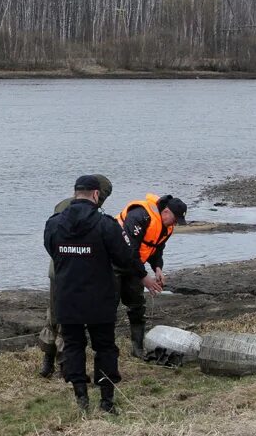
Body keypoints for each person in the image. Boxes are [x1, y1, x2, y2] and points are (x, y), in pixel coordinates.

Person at [44, 175, 141, 414]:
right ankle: (106, 402)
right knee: (105, 347)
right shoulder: (105, 224)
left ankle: (81, 398)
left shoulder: (54, 223)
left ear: (75, 193)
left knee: (74, 347)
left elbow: (51, 249)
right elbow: (124, 258)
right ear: (96, 195)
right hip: (100, 297)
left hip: (67, 296)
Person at [38, 174, 113, 378]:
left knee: (53, 314)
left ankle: (48, 363)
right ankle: (65, 366)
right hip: (72, 272)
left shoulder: (63, 206)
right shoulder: (90, 215)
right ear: (98, 193)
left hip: (58, 269)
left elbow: (52, 241)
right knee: (66, 319)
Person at [116, 193, 187, 358]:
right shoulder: (139, 216)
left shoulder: (166, 227)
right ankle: (105, 350)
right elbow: (130, 250)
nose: (175, 224)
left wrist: (157, 268)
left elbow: (156, 249)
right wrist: (145, 278)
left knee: (137, 306)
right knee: (108, 305)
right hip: (114, 261)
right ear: (166, 212)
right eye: (175, 220)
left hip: (134, 266)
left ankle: (137, 349)